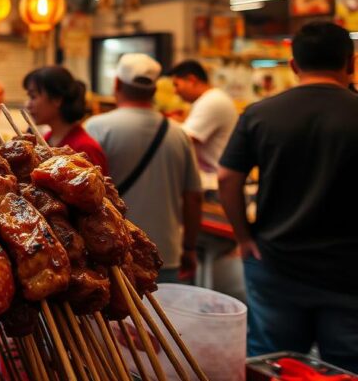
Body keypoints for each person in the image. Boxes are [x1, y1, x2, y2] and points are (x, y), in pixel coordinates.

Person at [218, 22, 358, 369]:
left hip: (275, 262)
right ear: (351, 63)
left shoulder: (260, 113)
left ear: (294, 65)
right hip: (349, 269)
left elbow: (226, 177)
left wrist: (243, 236)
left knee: (273, 363)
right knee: (348, 366)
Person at [84, 54, 202, 283]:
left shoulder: (97, 128)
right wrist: (189, 247)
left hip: (112, 254)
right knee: (162, 318)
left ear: (117, 84)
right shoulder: (179, 134)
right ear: (154, 90)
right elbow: (193, 198)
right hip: (165, 253)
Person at [168, 60, 238, 190]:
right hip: (215, 180)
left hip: (215, 184)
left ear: (192, 80)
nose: (175, 91)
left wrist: (163, 125)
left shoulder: (212, 100)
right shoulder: (210, 99)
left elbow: (184, 139)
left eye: (177, 85)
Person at [23, 67, 108, 174]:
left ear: (57, 99)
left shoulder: (86, 148)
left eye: (33, 96)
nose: (28, 104)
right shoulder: (45, 140)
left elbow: (100, 189)